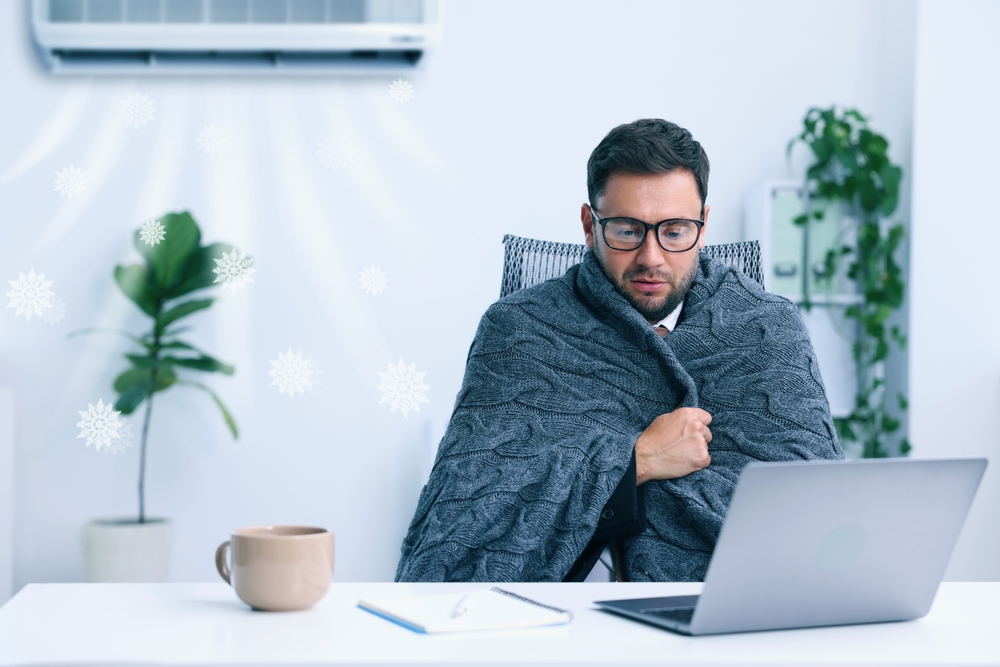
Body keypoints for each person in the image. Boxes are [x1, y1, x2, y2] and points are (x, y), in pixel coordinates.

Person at [395, 118, 844, 583]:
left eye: (674, 231)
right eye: (628, 230)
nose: (651, 257)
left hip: (734, 617)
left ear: (704, 225)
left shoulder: (768, 329)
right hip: (556, 620)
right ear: (590, 226)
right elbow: (464, 528)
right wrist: (639, 460)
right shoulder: (518, 329)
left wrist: (603, 477)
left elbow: (818, 517)